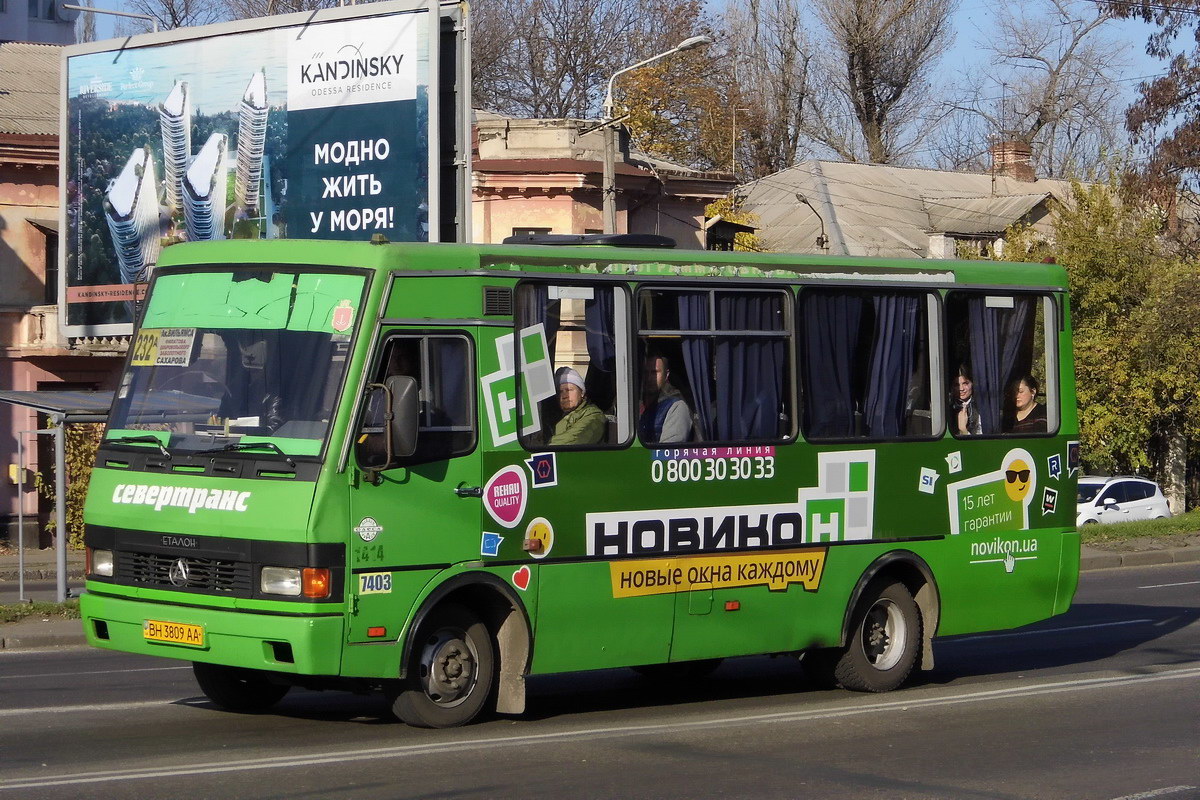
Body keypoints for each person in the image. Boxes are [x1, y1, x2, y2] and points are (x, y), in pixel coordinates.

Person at [639, 354, 693, 443]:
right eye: (645, 372)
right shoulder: (632, 404)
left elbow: (669, 450)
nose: (649, 378)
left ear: (666, 375)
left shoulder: (676, 406)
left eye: (654, 372)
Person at [548, 366, 606, 445]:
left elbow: (575, 439)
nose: (565, 395)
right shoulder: (553, 415)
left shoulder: (594, 415)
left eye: (569, 390)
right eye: (560, 391)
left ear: (582, 392)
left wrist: (542, 446)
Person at [951, 365, 981, 436]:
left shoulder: (980, 407)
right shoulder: (948, 408)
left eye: (965, 383)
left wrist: (964, 431)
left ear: (972, 383)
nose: (961, 388)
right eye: (956, 385)